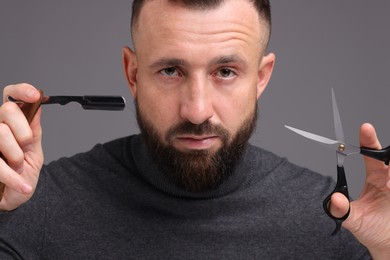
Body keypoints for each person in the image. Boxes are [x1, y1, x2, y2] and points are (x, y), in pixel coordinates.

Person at [0, 0, 388, 258]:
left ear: (261, 76)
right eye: (171, 70)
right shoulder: (32, 201)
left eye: (225, 72)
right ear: (132, 74)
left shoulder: (334, 220)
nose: (197, 110)